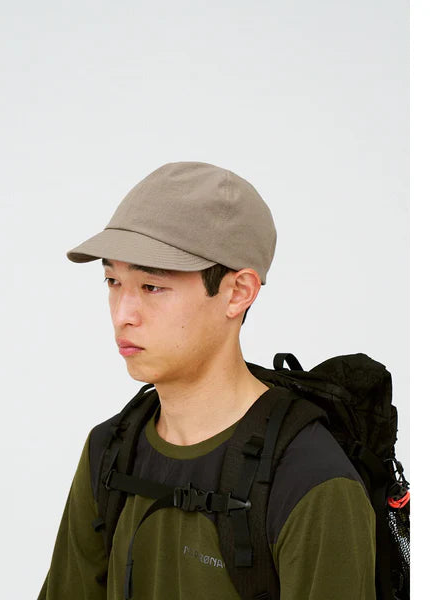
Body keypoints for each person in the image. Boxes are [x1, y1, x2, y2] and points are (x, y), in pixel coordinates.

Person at [37, 161, 376, 599]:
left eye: (152, 287)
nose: (123, 314)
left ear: (238, 293)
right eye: (113, 281)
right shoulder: (109, 452)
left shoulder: (312, 482)